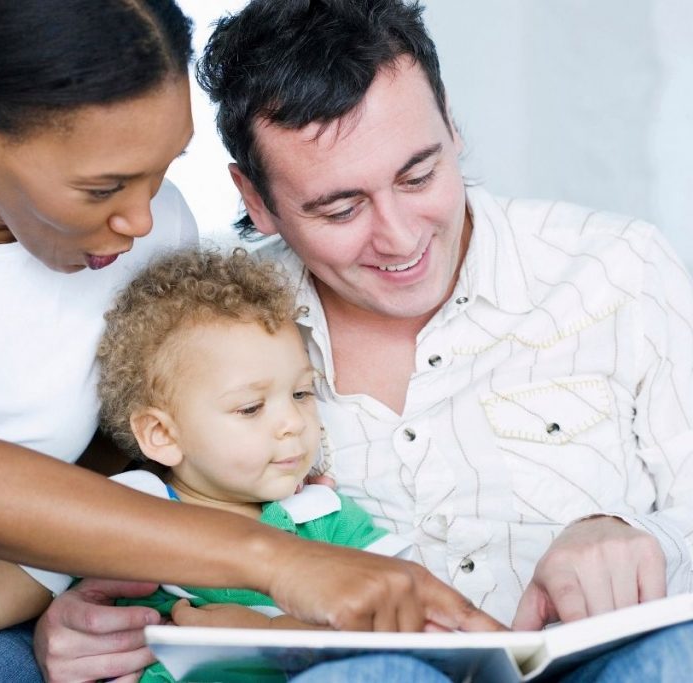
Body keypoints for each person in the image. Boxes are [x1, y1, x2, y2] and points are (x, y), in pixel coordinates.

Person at [0, 0, 500, 681]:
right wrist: (279, 560)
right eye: (103, 187)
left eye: (163, 170)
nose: (140, 218)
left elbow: (129, 459)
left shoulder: (156, 229)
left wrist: (94, 595)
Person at [36, 0, 693, 681]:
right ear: (255, 198)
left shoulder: (618, 268)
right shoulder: (212, 329)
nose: (401, 238)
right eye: (341, 208)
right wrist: (78, 620)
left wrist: (632, 536)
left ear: (451, 125)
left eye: (419, 176)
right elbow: (135, 515)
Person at [0, 248, 415, 681]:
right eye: (251, 407)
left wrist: (269, 637)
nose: (292, 423)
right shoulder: (122, 513)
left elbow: (404, 631)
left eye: (301, 394)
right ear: (161, 435)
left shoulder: (325, 518)